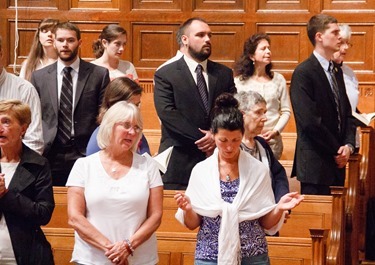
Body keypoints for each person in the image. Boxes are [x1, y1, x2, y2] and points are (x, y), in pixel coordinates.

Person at [174, 93, 303, 265]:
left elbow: (265, 222)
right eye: (223, 140)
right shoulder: (201, 171)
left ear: (242, 134)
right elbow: (192, 224)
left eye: (235, 140)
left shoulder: (258, 170)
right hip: (209, 255)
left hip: (253, 254)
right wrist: (188, 209)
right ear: (213, 136)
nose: (229, 147)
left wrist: (279, 208)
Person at [66, 101, 163, 265]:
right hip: (92, 259)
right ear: (109, 126)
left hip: (139, 259)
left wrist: (127, 247)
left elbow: (155, 216)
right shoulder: (84, 166)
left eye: (137, 127)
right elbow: (75, 217)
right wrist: (112, 250)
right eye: (126, 125)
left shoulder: (148, 166)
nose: (132, 132)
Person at [154, 17, 236, 190]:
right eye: (200, 35)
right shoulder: (166, 74)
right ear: (185, 39)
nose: (207, 39)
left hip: (218, 158)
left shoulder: (224, 73)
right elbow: (168, 114)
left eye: (209, 35)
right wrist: (203, 138)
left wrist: (215, 135)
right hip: (180, 160)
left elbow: (231, 110)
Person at [31, 21, 110, 186]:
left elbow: (104, 115)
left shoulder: (98, 74)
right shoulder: (39, 77)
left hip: (85, 151)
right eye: (60, 40)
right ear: (54, 42)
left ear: (79, 43)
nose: (65, 45)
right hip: (50, 152)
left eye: (70, 40)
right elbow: (35, 117)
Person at [290, 14, 356, 195]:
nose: (340, 37)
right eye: (334, 32)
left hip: (337, 163)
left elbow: (347, 114)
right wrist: (337, 150)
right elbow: (310, 122)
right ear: (319, 37)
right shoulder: (304, 73)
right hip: (316, 165)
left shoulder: (336, 71)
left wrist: (348, 146)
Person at [0, 99, 55, 265]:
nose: (0, 128)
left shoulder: (38, 164)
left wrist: (6, 195)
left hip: (26, 255)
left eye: (6, 122)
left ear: (23, 129)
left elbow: (44, 213)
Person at [233, 33, 291, 160]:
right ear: (251, 55)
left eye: (269, 48)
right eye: (263, 49)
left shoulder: (278, 79)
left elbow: (286, 111)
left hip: (272, 140)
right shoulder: (239, 81)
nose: (268, 51)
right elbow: (236, 111)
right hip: (246, 140)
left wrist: (275, 131)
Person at [235, 90, 289, 202]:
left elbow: (279, 174)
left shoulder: (262, 143)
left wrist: (281, 200)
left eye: (265, 112)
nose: (265, 118)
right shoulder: (231, 146)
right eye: (258, 112)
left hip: (267, 209)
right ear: (241, 115)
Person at [0, 35, 44, 155]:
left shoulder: (24, 89)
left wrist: (11, 169)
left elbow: (34, 141)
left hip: (15, 167)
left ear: (1, 54)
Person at [86, 76, 150, 155]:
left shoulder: (134, 130)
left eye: (137, 105)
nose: (135, 110)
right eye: (131, 105)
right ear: (114, 104)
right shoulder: (99, 138)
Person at [332, 24, 359, 112]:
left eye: (347, 43)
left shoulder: (350, 73)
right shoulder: (322, 71)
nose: (346, 47)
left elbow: (350, 105)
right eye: (342, 43)